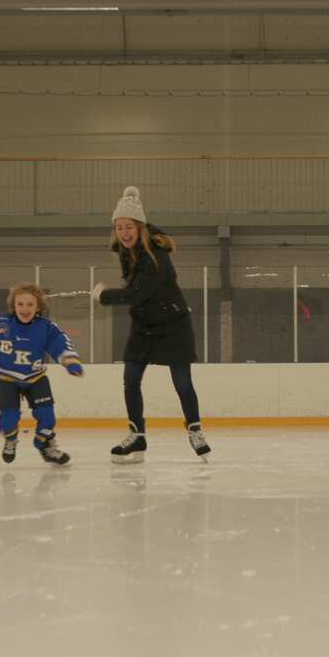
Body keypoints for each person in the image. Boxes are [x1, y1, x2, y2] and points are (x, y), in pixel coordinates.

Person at [91, 186, 210, 464]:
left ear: (140, 227)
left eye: (129, 226)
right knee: (131, 379)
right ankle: (137, 436)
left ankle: (195, 430)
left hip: (173, 324)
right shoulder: (125, 251)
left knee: (182, 382)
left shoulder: (156, 257)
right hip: (144, 325)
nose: (124, 233)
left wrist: (103, 295)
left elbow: (135, 294)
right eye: (119, 227)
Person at [0, 282, 83, 466]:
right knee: (9, 419)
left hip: (35, 378)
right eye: (20, 304)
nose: (25, 309)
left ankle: (44, 444)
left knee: (47, 415)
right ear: (13, 306)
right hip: (5, 379)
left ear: (38, 307)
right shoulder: (2, 324)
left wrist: (69, 360)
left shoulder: (46, 327)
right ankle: (10, 438)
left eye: (30, 304)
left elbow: (60, 343)